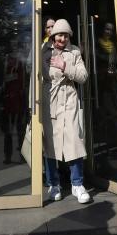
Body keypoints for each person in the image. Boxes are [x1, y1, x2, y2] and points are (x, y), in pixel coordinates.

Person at [41, 19, 90, 204]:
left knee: (74, 142)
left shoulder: (75, 51)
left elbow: (83, 76)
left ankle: (77, 184)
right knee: (50, 144)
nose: (62, 38)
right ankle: (54, 184)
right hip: (49, 101)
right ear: (53, 35)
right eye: (59, 35)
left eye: (66, 35)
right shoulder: (43, 50)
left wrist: (65, 66)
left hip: (69, 100)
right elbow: (35, 76)